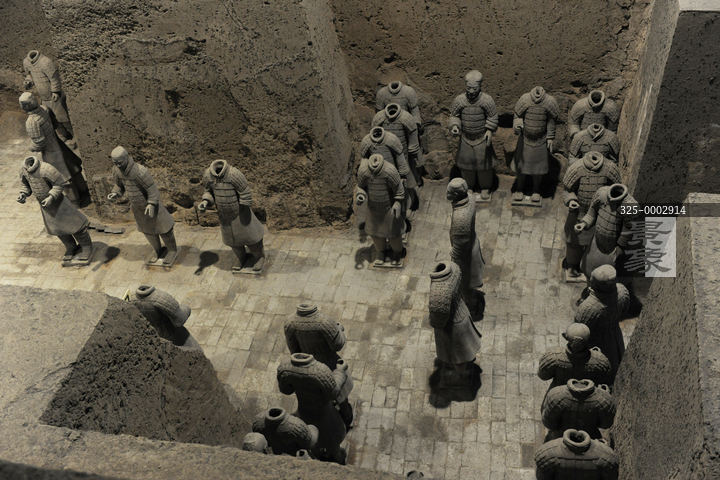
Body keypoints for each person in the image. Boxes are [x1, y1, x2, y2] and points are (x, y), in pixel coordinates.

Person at [108, 146, 178, 265]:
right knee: (148, 231)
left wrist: (151, 203)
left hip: (153, 207)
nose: (117, 165)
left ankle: (172, 251)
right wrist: (115, 193)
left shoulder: (140, 171)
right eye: (115, 162)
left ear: (126, 157)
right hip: (138, 208)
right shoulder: (117, 170)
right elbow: (119, 186)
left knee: (164, 229)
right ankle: (157, 250)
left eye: (119, 162)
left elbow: (152, 190)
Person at [18, 156, 92, 263]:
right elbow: (25, 185)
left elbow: (59, 184)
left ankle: (86, 247)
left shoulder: (46, 169)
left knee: (75, 225)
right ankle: (70, 246)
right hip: (46, 207)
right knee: (57, 229)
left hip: (60, 203)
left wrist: (51, 197)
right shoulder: (23, 170)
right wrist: (23, 194)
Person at [19, 93, 89, 207]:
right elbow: (56, 124)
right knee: (74, 170)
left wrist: (31, 147)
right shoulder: (45, 109)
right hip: (60, 146)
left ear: (25, 106)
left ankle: (75, 202)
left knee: (62, 178)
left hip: (51, 153)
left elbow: (39, 143)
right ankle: (84, 191)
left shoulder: (31, 122)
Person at [198, 160, 266, 272]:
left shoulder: (234, 174)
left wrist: (243, 209)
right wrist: (205, 201)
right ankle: (241, 257)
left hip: (240, 213)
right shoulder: (208, 175)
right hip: (224, 216)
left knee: (252, 240)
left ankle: (259, 257)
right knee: (233, 243)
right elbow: (208, 191)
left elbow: (244, 191)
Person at [449, 70, 499, 200]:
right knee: (466, 167)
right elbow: (454, 116)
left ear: (480, 86)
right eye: (469, 88)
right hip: (466, 139)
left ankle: (485, 188)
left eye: (474, 88)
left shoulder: (486, 100)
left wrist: (489, 130)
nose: (471, 91)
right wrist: (455, 126)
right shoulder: (460, 100)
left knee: (485, 167)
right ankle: (469, 186)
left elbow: (493, 116)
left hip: (482, 139)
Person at [511, 86, 559, 202]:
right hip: (525, 140)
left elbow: (552, 121)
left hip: (541, 141)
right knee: (521, 168)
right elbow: (518, 116)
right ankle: (519, 188)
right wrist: (517, 125)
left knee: (538, 170)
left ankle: (536, 190)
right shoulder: (525, 99)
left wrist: (550, 137)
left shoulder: (550, 102)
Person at [446, 178, 484, 319]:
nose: (446, 193)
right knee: (467, 283)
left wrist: (452, 254)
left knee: (464, 283)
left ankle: (469, 308)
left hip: (466, 255)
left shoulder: (460, 217)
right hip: (473, 245)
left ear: (456, 195)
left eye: (449, 192)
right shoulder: (470, 198)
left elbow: (460, 247)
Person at [23, 50, 74, 141]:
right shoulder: (26, 62)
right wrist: (28, 81)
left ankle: (74, 135)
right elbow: (29, 75)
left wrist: (55, 91)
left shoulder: (46, 62)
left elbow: (54, 78)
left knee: (63, 118)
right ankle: (63, 135)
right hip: (43, 97)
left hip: (54, 97)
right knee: (52, 118)